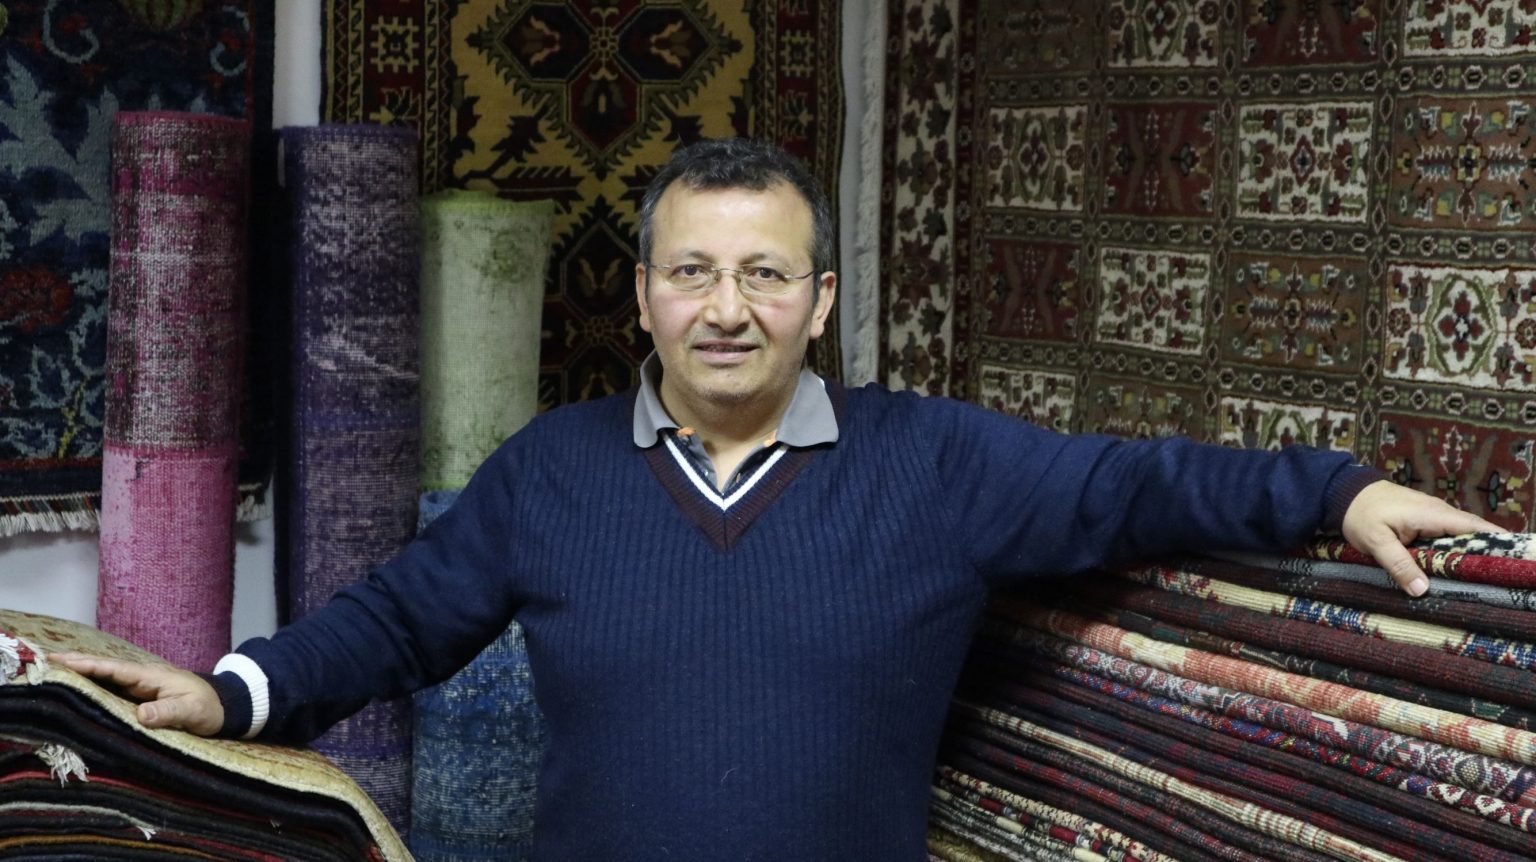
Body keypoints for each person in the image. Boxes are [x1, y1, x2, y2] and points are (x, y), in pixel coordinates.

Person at [56, 137, 1498, 860]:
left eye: (764, 275)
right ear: (641, 297)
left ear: (819, 302)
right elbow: (390, 622)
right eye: (693, 271)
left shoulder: (935, 462)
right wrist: (227, 691)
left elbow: (1139, 483)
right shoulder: (553, 469)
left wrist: (1343, 489)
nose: (726, 309)